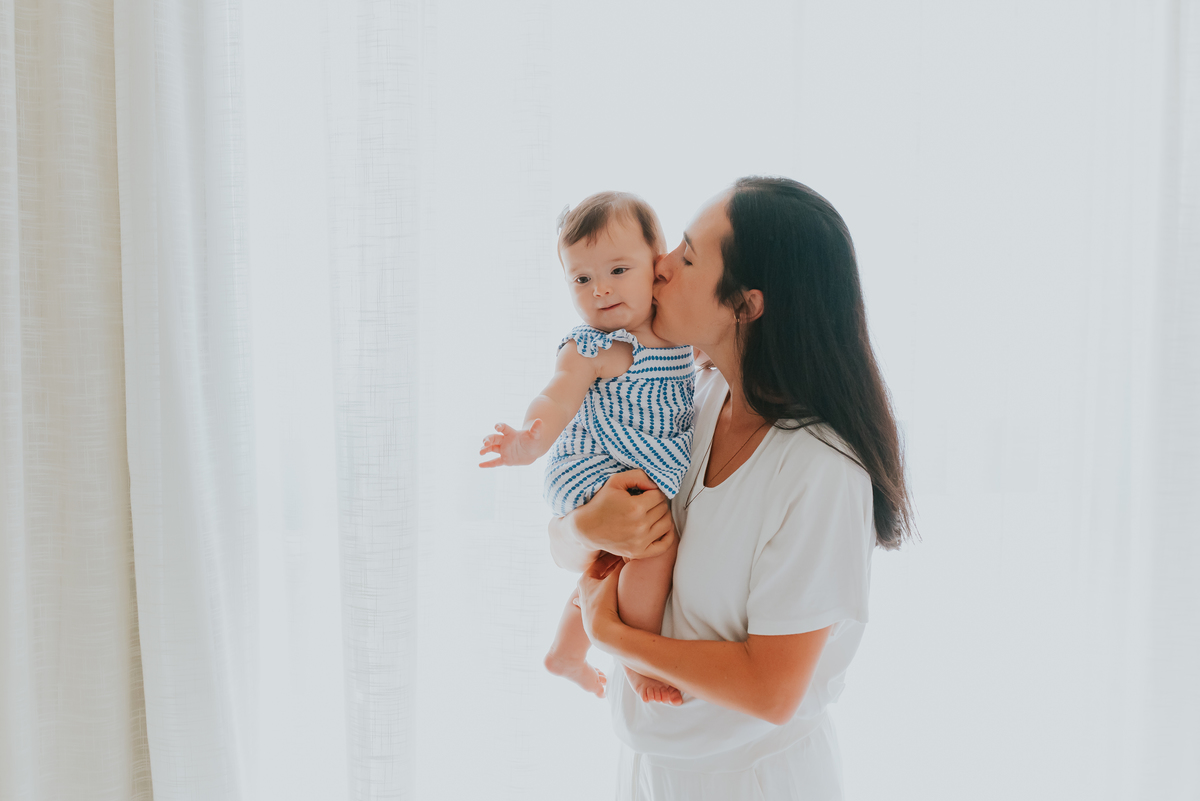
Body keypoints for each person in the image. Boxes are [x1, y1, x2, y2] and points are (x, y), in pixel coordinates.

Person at [549, 177, 912, 799]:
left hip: (752, 782)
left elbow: (772, 690)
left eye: (688, 257)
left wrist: (612, 637)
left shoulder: (821, 469)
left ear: (746, 305)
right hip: (650, 769)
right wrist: (583, 527)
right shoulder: (690, 397)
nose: (660, 266)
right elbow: (573, 535)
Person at [479, 192, 694, 705]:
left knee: (612, 562)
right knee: (653, 545)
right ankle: (634, 660)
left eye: (618, 270)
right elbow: (557, 394)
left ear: (658, 263)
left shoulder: (681, 336)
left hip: (630, 464)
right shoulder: (597, 346)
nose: (600, 289)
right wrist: (529, 439)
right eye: (581, 279)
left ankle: (566, 653)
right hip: (592, 463)